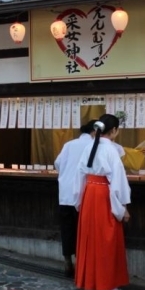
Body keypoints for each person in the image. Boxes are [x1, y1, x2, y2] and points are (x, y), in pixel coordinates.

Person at [74, 114, 131, 290]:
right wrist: (122, 207)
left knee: (90, 238)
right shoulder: (111, 150)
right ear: (114, 131)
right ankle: (108, 285)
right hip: (104, 194)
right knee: (107, 238)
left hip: (89, 193)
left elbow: (79, 175)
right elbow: (118, 181)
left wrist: (78, 200)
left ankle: (89, 282)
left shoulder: (89, 146)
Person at [54, 119, 96, 277]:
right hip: (82, 194)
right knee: (81, 230)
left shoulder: (69, 145)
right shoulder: (93, 145)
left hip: (65, 194)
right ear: (94, 132)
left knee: (67, 228)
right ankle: (81, 264)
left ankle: (67, 261)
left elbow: (57, 163)